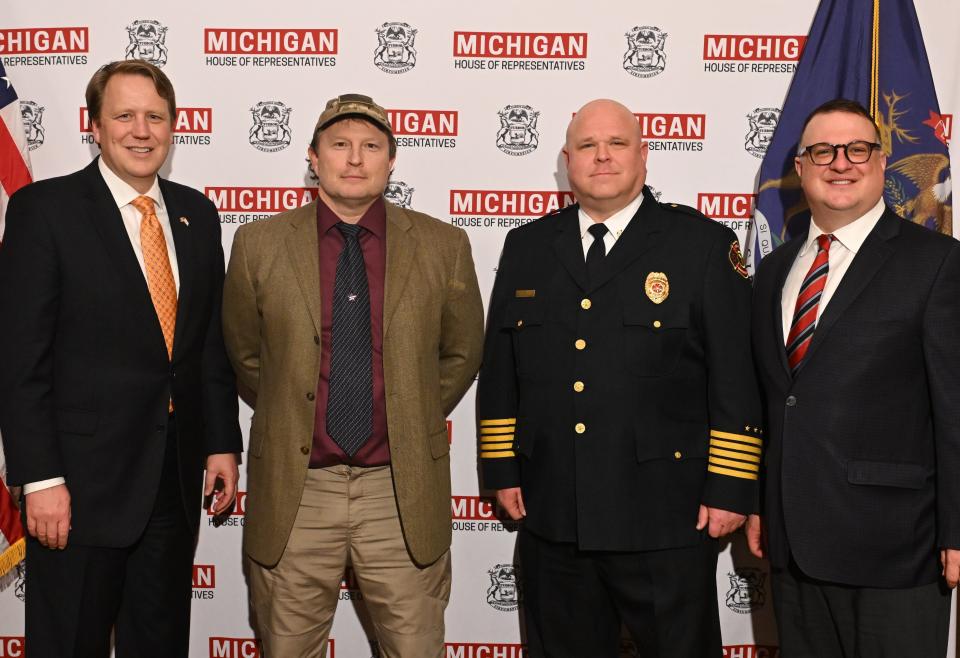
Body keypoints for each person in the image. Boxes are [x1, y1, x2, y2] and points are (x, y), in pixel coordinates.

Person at [477, 98, 763, 657]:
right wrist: (501, 467)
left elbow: (735, 375)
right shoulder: (528, 247)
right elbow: (501, 369)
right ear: (566, 161)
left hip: (667, 519)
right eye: (587, 146)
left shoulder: (701, 246)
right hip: (553, 513)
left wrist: (730, 485)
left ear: (644, 156)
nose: (602, 156)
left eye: (617, 144)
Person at [222, 93, 484, 658]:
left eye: (371, 147)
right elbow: (245, 354)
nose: (355, 159)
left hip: (400, 489)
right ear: (313, 158)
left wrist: (406, 409)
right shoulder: (257, 245)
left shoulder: (443, 245)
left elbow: (462, 353)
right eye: (339, 145)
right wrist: (295, 403)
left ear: (392, 161)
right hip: (297, 493)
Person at [0, 60, 241, 657]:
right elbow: (19, 359)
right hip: (77, 488)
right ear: (96, 127)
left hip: (173, 483)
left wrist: (220, 442)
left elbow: (206, 343)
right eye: (125, 115)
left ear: (173, 127)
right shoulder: (43, 210)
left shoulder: (196, 213)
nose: (142, 130)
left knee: (158, 643)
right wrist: (41, 478)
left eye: (155, 116)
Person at [747, 98, 960, 657]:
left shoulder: (937, 263)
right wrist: (758, 501)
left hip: (897, 547)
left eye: (857, 149)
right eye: (822, 151)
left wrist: (957, 529)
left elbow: (955, 408)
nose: (840, 163)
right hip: (794, 548)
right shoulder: (773, 271)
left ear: (882, 160)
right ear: (800, 166)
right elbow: (773, 401)